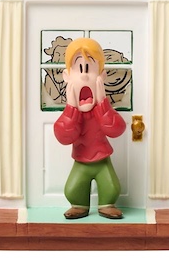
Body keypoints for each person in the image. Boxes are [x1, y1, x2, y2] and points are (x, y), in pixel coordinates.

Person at [54, 37, 126, 219]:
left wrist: (103, 104)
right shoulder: (73, 112)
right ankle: (79, 205)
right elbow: (64, 136)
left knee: (112, 186)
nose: (85, 76)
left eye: (90, 69)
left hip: (103, 161)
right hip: (81, 161)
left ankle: (107, 204)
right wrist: (71, 108)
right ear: (67, 76)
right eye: (79, 68)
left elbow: (116, 129)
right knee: (72, 189)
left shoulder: (102, 110)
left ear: (102, 76)